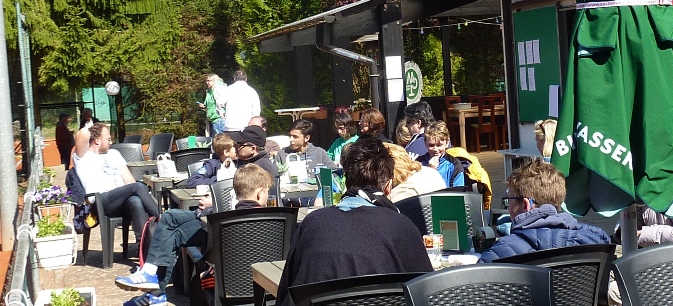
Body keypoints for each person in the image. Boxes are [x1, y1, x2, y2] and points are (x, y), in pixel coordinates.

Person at [275, 137, 433, 306]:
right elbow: (427, 291)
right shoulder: (402, 226)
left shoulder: (312, 223)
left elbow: (286, 292)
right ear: (388, 187)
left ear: (347, 182)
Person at [116, 164, 274, 306]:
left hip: (227, 287)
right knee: (174, 228)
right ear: (259, 192)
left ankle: (155, 289)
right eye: (267, 191)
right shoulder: (278, 219)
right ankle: (154, 289)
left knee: (178, 240)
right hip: (269, 286)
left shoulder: (222, 223)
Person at [478, 158, 611, 263]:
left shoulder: (501, 252)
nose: (508, 207)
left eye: (509, 200)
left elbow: (474, 287)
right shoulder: (595, 240)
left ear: (525, 205)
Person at [72, 123, 158, 252]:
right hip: (101, 201)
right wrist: (93, 126)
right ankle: (162, 218)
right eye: (108, 139)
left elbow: (129, 180)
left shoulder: (114, 154)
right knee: (138, 187)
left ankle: (145, 251)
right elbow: (82, 134)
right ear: (97, 140)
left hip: (121, 201)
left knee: (136, 201)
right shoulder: (82, 158)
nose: (111, 142)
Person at [417, 121, 464, 188]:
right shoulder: (418, 163)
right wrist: (429, 170)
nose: (435, 149)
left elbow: (458, 191)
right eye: (431, 145)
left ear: (447, 143)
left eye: (439, 145)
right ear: (425, 143)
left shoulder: (454, 165)